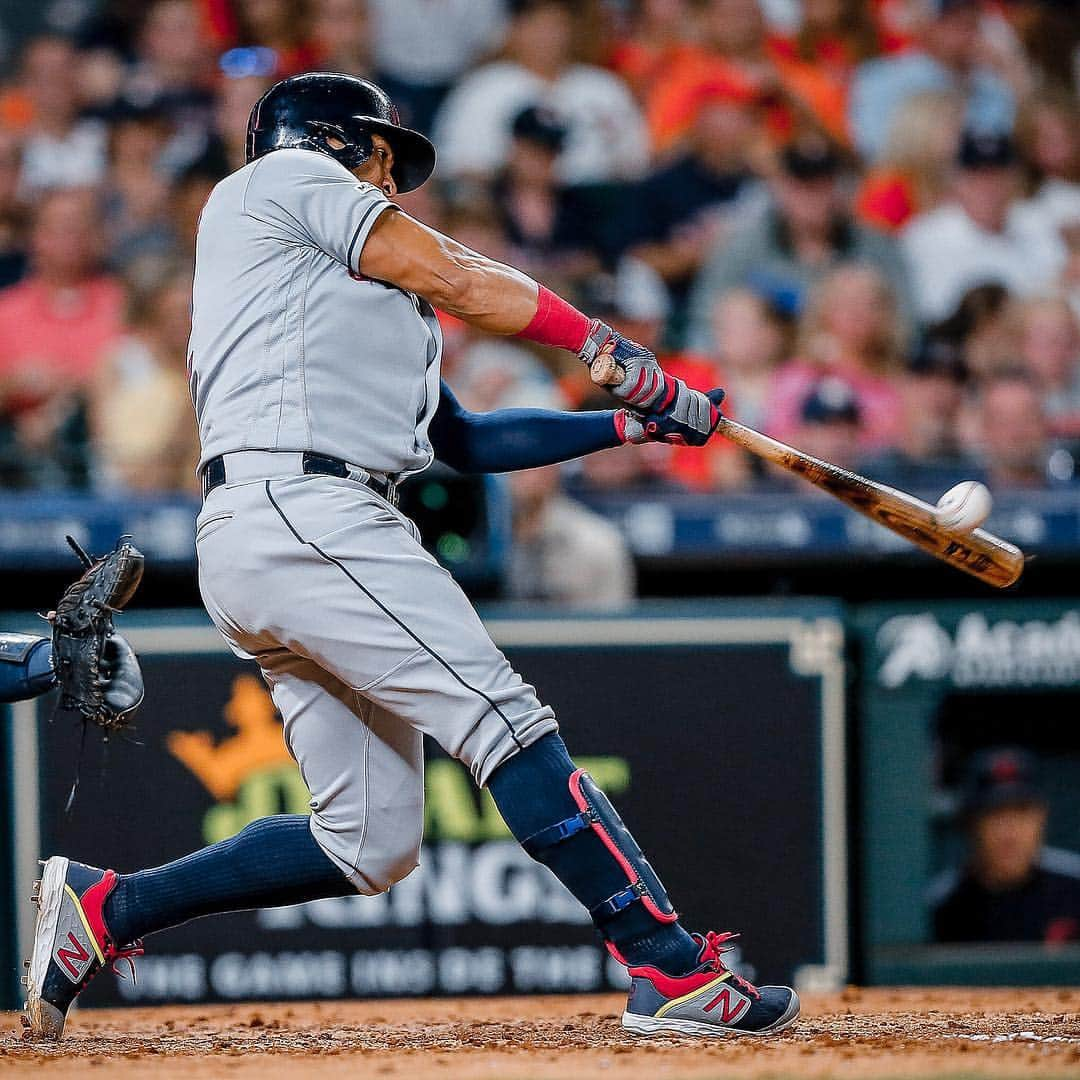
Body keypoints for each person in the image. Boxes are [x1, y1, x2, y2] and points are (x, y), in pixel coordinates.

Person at [23, 72, 797, 1042]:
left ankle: (104, 911)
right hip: (305, 509)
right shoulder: (278, 182)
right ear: (335, 141)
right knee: (506, 724)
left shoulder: (359, 299)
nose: (393, 181)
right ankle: (671, 967)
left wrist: (624, 424)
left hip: (290, 527)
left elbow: (466, 441)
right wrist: (603, 341)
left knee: (368, 842)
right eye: (384, 156)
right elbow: (464, 275)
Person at [686, 132, 913, 353]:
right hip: (762, 376)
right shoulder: (742, 246)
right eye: (802, 183)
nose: (813, 195)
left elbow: (908, 324)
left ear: (843, 189)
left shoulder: (876, 247)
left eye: (825, 183)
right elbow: (704, 321)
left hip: (857, 374)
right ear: (779, 187)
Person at [901, 131, 1066, 325]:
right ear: (957, 181)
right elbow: (936, 311)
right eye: (977, 176)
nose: (988, 187)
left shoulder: (1037, 222)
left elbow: (1061, 287)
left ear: (1015, 179)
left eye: (997, 176)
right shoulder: (926, 235)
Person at [932, 747, 1080, 945]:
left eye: (1021, 812)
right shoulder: (941, 906)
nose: (1010, 832)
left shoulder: (1074, 886)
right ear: (969, 824)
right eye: (995, 814)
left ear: (1042, 816)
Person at [848, 0, 1015, 163]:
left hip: (979, 183)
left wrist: (1010, 73)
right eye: (953, 22)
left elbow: (1004, 148)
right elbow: (873, 150)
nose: (966, 32)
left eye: (972, 22)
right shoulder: (880, 77)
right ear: (925, 26)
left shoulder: (992, 83)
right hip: (909, 184)